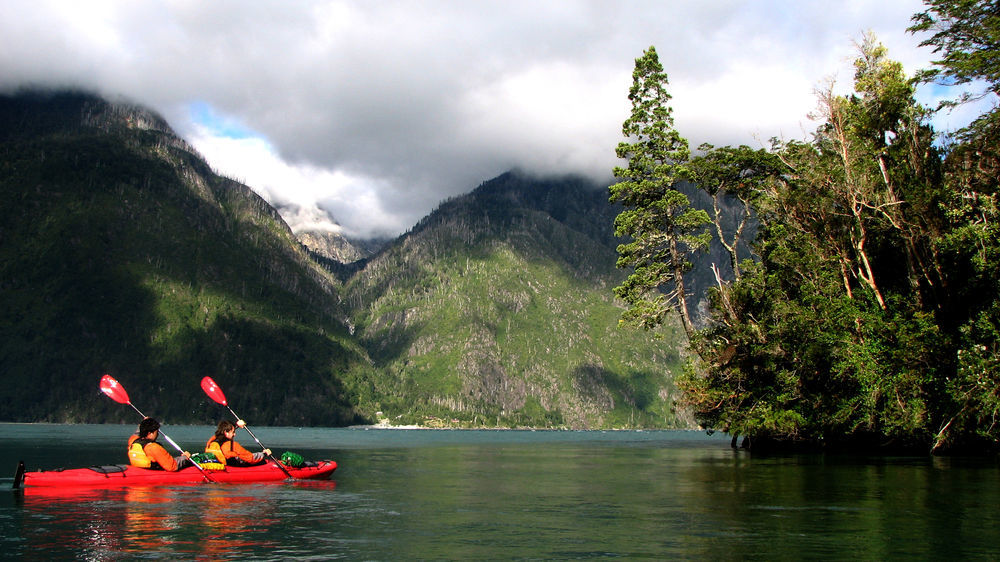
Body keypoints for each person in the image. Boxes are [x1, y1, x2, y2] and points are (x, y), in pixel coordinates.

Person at [127, 417, 192, 471]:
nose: (158, 434)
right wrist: (184, 457)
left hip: (139, 471)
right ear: (150, 433)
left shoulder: (132, 441)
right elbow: (172, 466)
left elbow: (137, 434)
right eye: (156, 432)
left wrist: (144, 424)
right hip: (152, 474)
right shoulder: (153, 447)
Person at [205, 420, 271, 466]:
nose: (235, 434)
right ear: (226, 432)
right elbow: (251, 458)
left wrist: (237, 425)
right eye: (233, 432)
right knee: (261, 462)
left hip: (217, 465)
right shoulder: (232, 445)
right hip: (232, 468)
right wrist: (264, 454)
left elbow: (227, 432)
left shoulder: (212, 441)